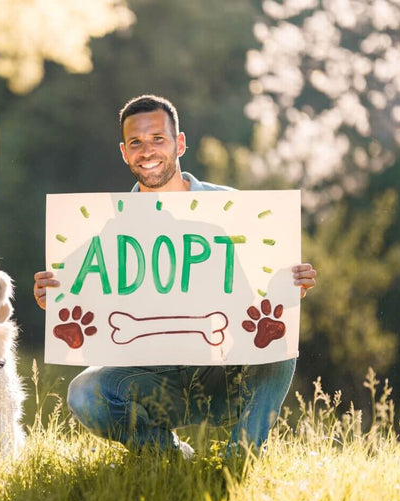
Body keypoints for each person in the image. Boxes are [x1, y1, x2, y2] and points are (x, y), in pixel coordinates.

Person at [32, 95, 317, 456]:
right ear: (123, 152)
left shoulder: (233, 209)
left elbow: (263, 294)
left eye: (158, 139)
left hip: (222, 376)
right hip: (151, 381)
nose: (146, 151)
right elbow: (85, 308)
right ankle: (171, 455)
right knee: (85, 393)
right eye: (135, 143)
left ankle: (240, 458)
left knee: (278, 341)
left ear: (179, 143)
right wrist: (56, 298)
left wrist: (286, 290)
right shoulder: (105, 228)